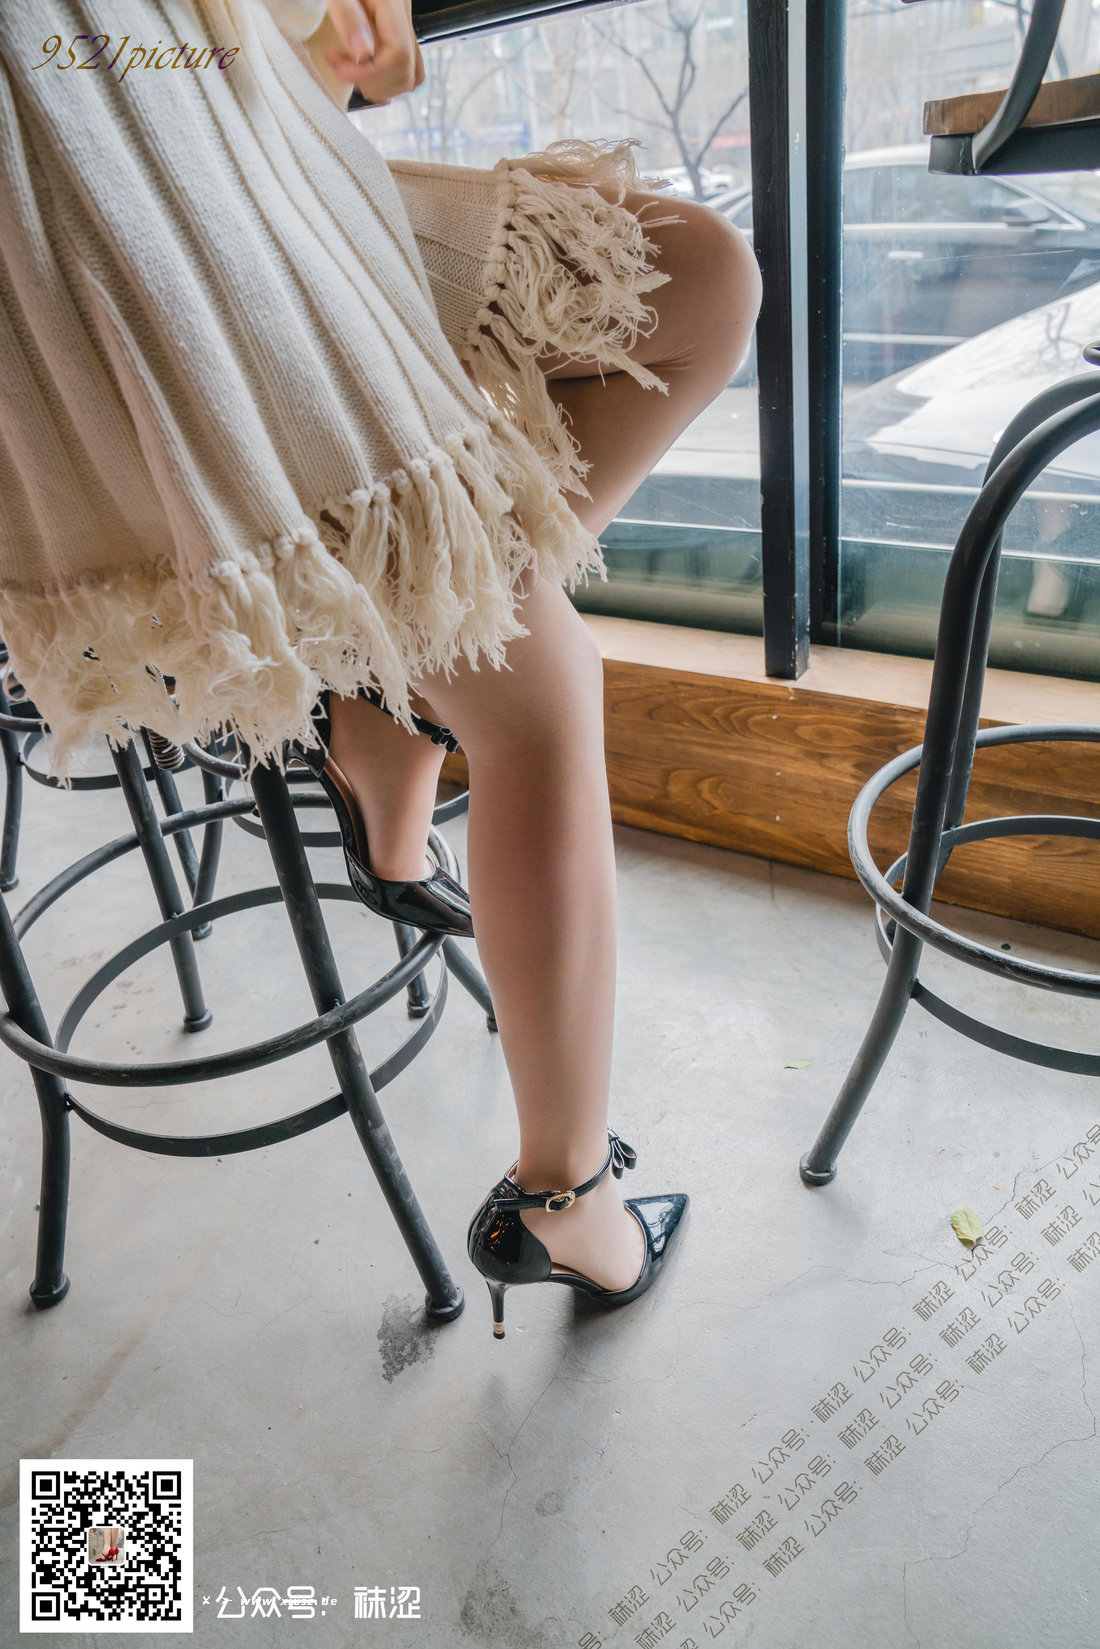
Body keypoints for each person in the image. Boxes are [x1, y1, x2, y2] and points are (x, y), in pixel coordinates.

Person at [0, 0, 761, 1336]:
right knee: (542, 701)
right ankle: (567, 1197)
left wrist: (299, 42)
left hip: (238, 175)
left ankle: (399, 693)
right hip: (106, 246)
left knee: (699, 277)